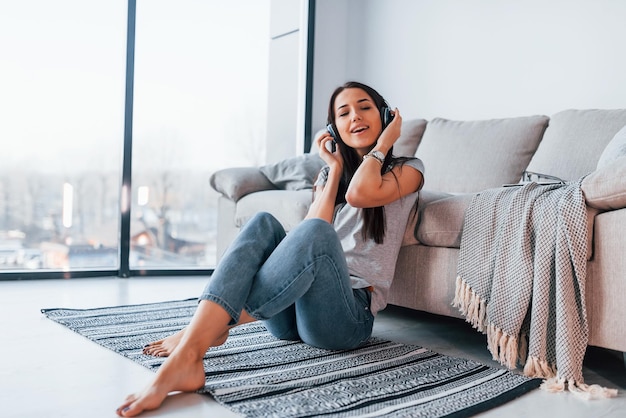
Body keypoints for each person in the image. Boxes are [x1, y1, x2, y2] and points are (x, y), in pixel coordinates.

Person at [116, 81, 425, 417]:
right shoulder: (327, 175)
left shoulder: (409, 169)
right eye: (343, 113)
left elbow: (359, 195)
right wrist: (334, 169)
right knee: (264, 223)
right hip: (292, 319)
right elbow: (312, 226)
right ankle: (200, 337)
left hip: (346, 320)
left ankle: (194, 343)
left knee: (316, 233)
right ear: (333, 128)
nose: (355, 117)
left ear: (385, 115)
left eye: (365, 107)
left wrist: (383, 145)